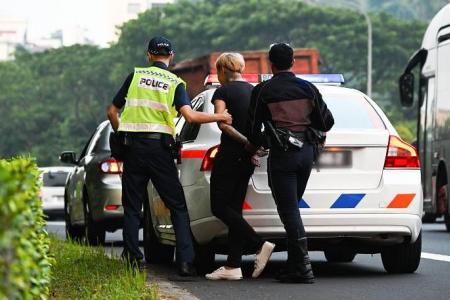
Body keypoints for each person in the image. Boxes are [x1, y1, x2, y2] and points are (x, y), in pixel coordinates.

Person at [107, 36, 232, 275]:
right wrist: (220, 117)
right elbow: (191, 117)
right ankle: (185, 262)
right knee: (176, 205)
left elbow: (112, 112)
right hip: (159, 151)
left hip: (133, 149)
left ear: (149, 55)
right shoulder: (175, 82)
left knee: (133, 207)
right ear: (171, 56)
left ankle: (133, 258)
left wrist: (123, 134)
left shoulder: (135, 76)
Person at [247, 43, 334, 283]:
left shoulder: (263, 91)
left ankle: (304, 269)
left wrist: (265, 140)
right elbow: (327, 122)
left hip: (282, 157)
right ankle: (294, 266)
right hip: (307, 155)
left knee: (289, 211)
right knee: (291, 209)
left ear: (270, 64)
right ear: (293, 62)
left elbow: (253, 131)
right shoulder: (308, 88)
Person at [205, 53, 275, 281]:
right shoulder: (255, 90)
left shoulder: (222, 91)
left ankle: (259, 244)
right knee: (234, 209)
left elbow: (222, 124)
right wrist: (253, 147)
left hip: (230, 155)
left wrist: (245, 143)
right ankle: (233, 266)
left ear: (223, 71)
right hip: (247, 159)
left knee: (218, 206)